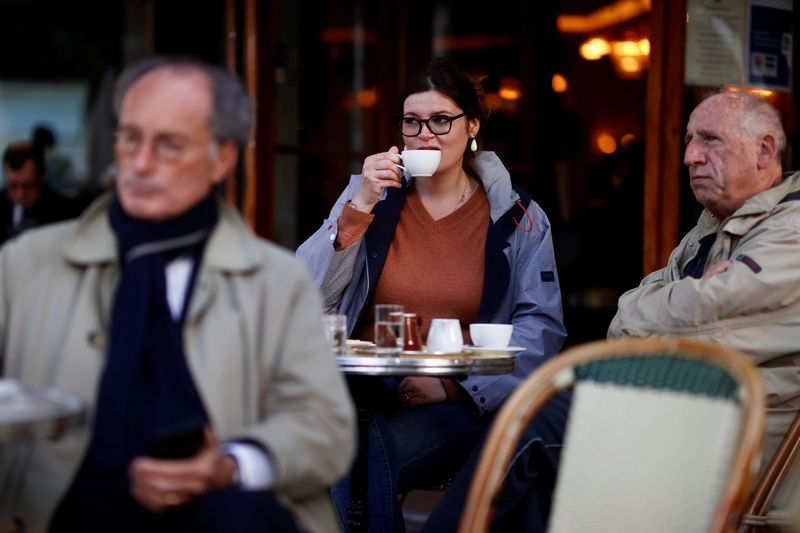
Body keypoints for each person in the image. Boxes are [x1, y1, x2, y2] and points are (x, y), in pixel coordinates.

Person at [0, 57, 355, 533]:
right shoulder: (27, 263)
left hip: (224, 513)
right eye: (129, 139)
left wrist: (231, 465)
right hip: (62, 510)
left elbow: (324, 428)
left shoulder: (276, 279)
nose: (140, 164)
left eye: (168, 146)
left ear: (222, 158)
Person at [297, 57, 567, 531]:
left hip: (456, 402)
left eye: (441, 120)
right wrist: (358, 211)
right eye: (412, 122)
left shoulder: (520, 217)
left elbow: (541, 329)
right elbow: (301, 296)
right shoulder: (367, 196)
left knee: (343, 455)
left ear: (472, 126)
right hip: (360, 386)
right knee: (343, 442)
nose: (425, 134)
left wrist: (454, 385)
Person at [608, 91, 800, 469]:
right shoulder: (712, 227)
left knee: (545, 431)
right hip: (692, 427)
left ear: (764, 151)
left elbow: (696, 328)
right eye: (689, 141)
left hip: (748, 454)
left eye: (710, 139)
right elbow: (623, 325)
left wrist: (652, 303)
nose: (690, 156)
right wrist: (677, 299)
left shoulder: (791, 229)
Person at [0, 141, 81, 244]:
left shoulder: (66, 212)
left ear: (43, 176)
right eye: (13, 186)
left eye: (28, 186)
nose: (20, 194)